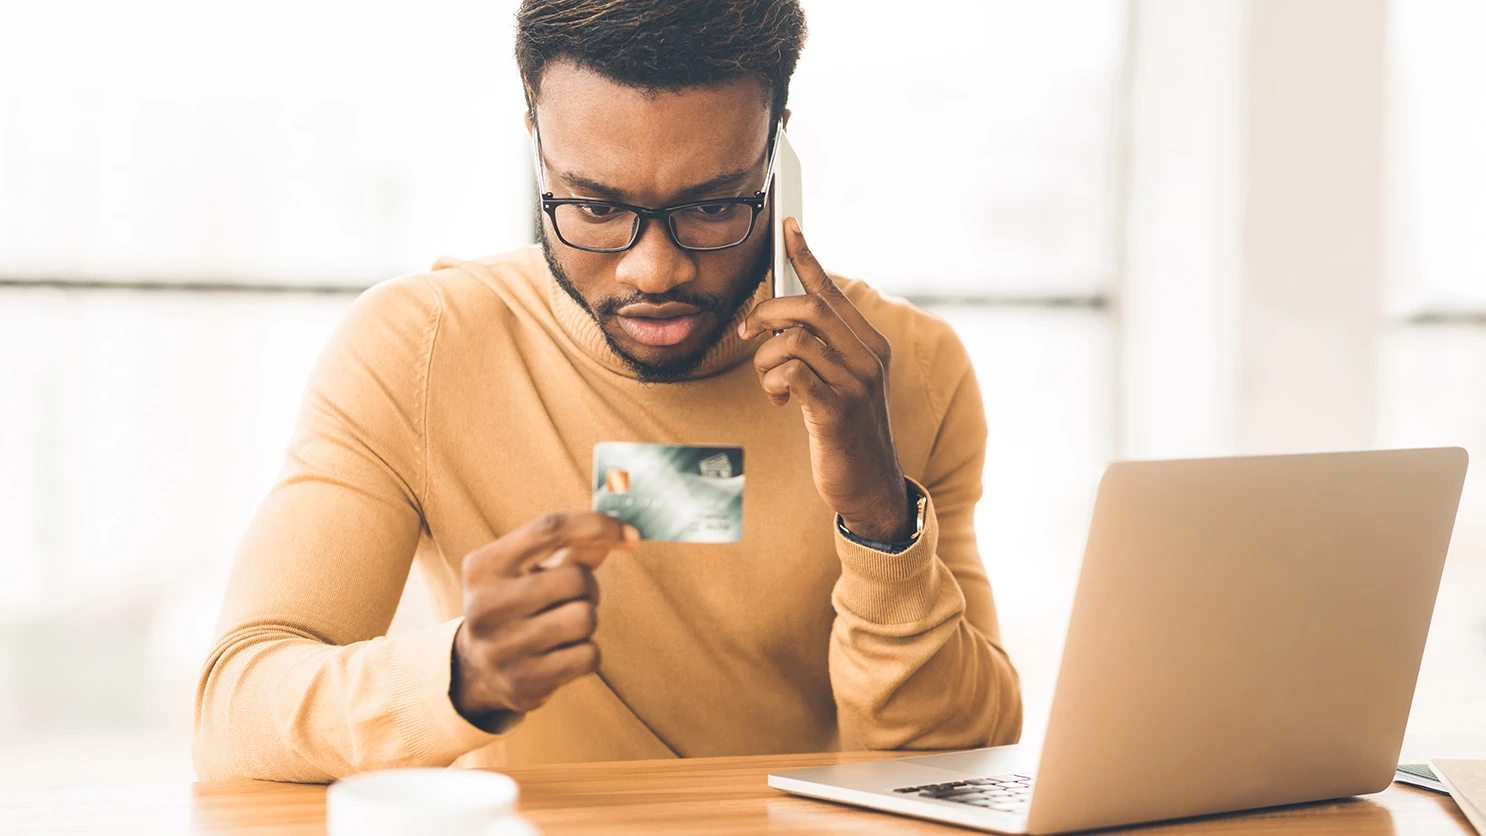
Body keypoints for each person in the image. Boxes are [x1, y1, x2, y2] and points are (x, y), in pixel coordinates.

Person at [193, 0, 1022, 783]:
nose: (654, 271)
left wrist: (882, 522)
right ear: (535, 140)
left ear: (778, 150)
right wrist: (461, 675)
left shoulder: (905, 372)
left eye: (713, 207)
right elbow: (234, 714)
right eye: (594, 207)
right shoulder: (422, 347)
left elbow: (962, 767)